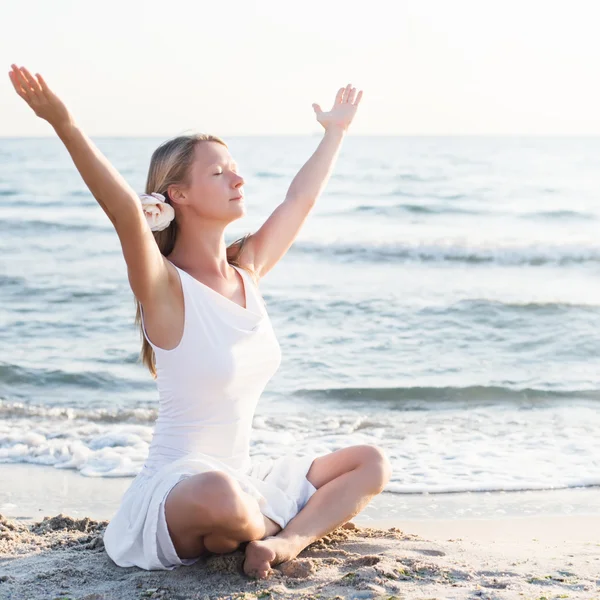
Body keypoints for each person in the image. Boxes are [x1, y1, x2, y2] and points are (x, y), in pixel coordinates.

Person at [8, 64, 392, 579]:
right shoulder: (165, 288)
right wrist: (64, 123)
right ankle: (259, 524)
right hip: (179, 487)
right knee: (219, 497)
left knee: (370, 462)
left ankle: (283, 543)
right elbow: (123, 210)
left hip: (242, 475)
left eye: (234, 168)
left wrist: (334, 133)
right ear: (178, 196)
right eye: (218, 172)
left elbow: (300, 199)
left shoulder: (248, 270)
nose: (238, 178)